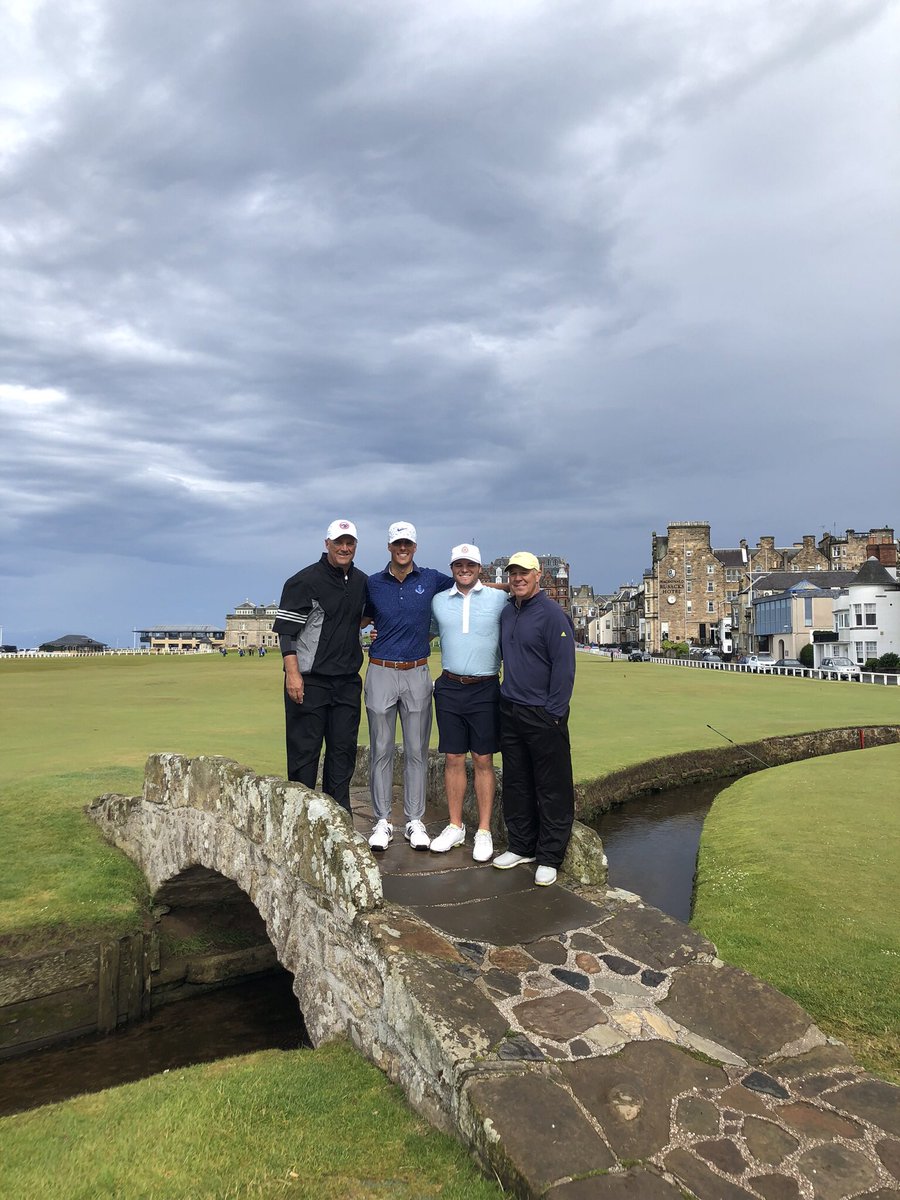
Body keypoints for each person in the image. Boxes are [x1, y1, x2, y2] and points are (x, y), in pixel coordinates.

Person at [363, 522, 453, 851]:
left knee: (417, 751)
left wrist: (512, 590)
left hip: (416, 671)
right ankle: (382, 821)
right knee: (381, 750)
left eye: (408, 544)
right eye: (398, 543)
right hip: (381, 670)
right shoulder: (373, 583)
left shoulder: (430, 579)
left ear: (415, 547)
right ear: (389, 547)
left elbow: (468, 584)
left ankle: (415, 821)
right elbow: (356, 617)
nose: (403, 548)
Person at [272, 519, 367, 815]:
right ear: (327, 544)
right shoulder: (303, 581)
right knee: (304, 757)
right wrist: (293, 674)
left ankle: (339, 822)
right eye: (338, 542)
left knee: (343, 754)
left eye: (349, 543)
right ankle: (299, 822)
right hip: (310, 682)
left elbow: (358, 618)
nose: (344, 547)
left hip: (347, 682)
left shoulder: (362, 581)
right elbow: (286, 633)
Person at [494, 551, 576, 886]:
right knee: (516, 782)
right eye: (513, 573)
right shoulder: (506, 613)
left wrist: (554, 712)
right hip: (511, 709)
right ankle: (522, 845)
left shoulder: (553, 614)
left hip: (544, 714)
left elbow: (564, 668)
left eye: (524, 573)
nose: (518, 578)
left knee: (551, 786)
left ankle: (550, 855)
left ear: (537, 575)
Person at [429, 544, 506, 862]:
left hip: (485, 687)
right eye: (459, 564)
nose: (464, 569)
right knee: (453, 759)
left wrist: (491, 586)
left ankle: (484, 830)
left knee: (484, 760)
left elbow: (523, 589)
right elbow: (424, 632)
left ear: (479, 567)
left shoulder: (499, 598)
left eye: (470, 564)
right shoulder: (438, 601)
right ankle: (455, 825)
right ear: (452, 568)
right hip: (448, 686)